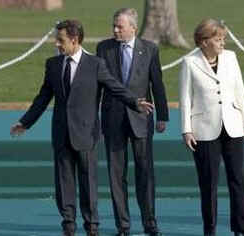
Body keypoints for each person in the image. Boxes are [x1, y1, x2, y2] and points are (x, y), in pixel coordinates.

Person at [10, 19, 154, 236]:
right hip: (61, 132)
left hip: (86, 133)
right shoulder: (53, 64)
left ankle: (91, 225)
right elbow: (43, 97)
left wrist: (135, 102)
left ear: (74, 40)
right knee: (64, 181)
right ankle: (68, 224)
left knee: (88, 182)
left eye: (61, 41)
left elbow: (115, 88)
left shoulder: (95, 64)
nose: (57, 45)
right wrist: (25, 122)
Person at [96, 8, 168, 236]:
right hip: (113, 118)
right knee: (116, 174)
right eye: (114, 25)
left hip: (141, 118)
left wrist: (163, 116)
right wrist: (93, 117)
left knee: (145, 172)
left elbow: (157, 83)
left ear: (133, 28)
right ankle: (123, 225)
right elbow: (98, 85)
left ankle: (150, 223)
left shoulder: (149, 49)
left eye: (120, 26)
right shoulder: (103, 48)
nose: (115, 29)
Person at [179, 19, 244, 236]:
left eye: (223, 39)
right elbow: (185, 98)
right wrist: (186, 129)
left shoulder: (231, 58)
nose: (222, 43)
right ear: (203, 41)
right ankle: (210, 229)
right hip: (204, 130)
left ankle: (242, 228)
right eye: (218, 39)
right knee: (208, 184)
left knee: (237, 179)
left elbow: (240, 90)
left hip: (233, 127)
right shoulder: (189, 63)